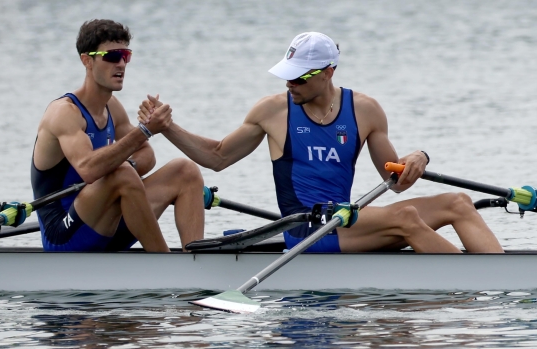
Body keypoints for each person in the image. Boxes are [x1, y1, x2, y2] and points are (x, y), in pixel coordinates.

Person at [138, 32, 504, 254]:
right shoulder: (272, 111)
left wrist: (419, 157)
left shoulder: (365, 110)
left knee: (457, 202)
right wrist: (167, 127)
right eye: (287, 77)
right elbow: (217, 157)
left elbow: (395, 182)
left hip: (346, 220)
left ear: (328, 72)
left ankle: (506, 279)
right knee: (407, 217)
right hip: (307, 229)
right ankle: (473, 289)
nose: (289, 85)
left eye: (299, 79)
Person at [31, 19, 204, 253]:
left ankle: (196, 260)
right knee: (122, 173)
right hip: (65, 235)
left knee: (185, 171)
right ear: (87, 60)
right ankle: (166, 264)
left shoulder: (112, 107)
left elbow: (146, 155)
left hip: (107, 222)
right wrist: (144, 132)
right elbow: (88, 170)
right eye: (112, 56)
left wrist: (122, 168)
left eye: (125, 55)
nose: (121, 64)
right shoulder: (65, 113)